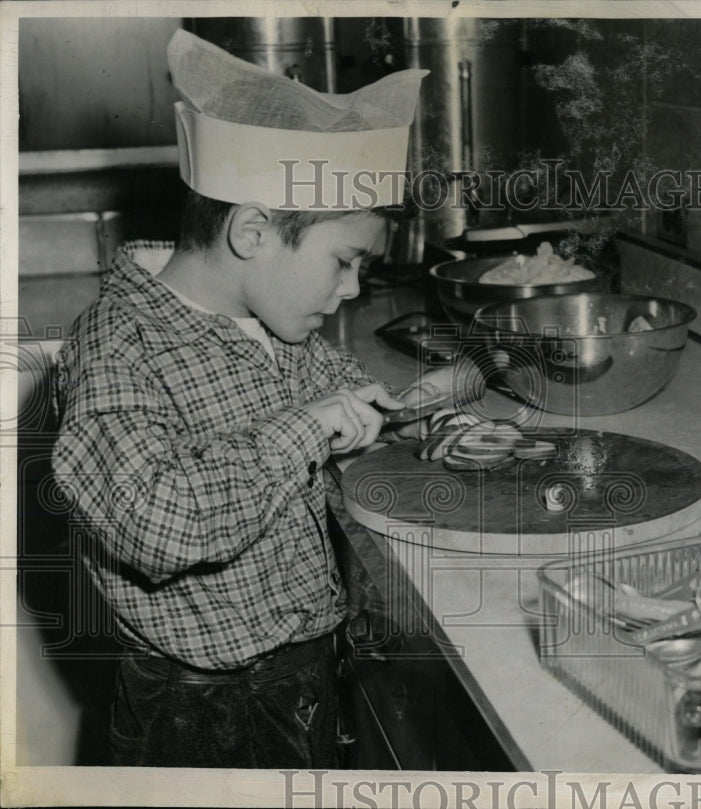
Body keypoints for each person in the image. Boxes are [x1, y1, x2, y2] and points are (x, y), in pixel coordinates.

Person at [51, 29, 468, 768]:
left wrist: (391, 403)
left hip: (298, 675)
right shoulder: (117, 348)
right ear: (253, 231)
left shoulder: (267, 323)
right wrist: (306, 428)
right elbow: (157, 524)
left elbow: (326, 391)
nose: (353, 291)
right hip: (198, 712)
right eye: (345, 262)